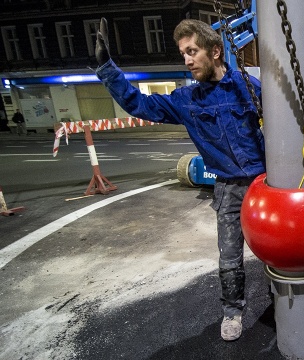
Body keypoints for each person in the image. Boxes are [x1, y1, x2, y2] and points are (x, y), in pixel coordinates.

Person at [94, 18, 265, 341]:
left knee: (275, 248)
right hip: (228, 189)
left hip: (264, 184)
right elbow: (139, 103)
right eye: (183, 53)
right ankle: (232, 311)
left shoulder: (246, 86)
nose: (186, 60)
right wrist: (107, 68)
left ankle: (280, 300)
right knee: (229, 255)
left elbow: (284, 117)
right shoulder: (186, 100)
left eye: (192, 51)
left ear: (215, 51)